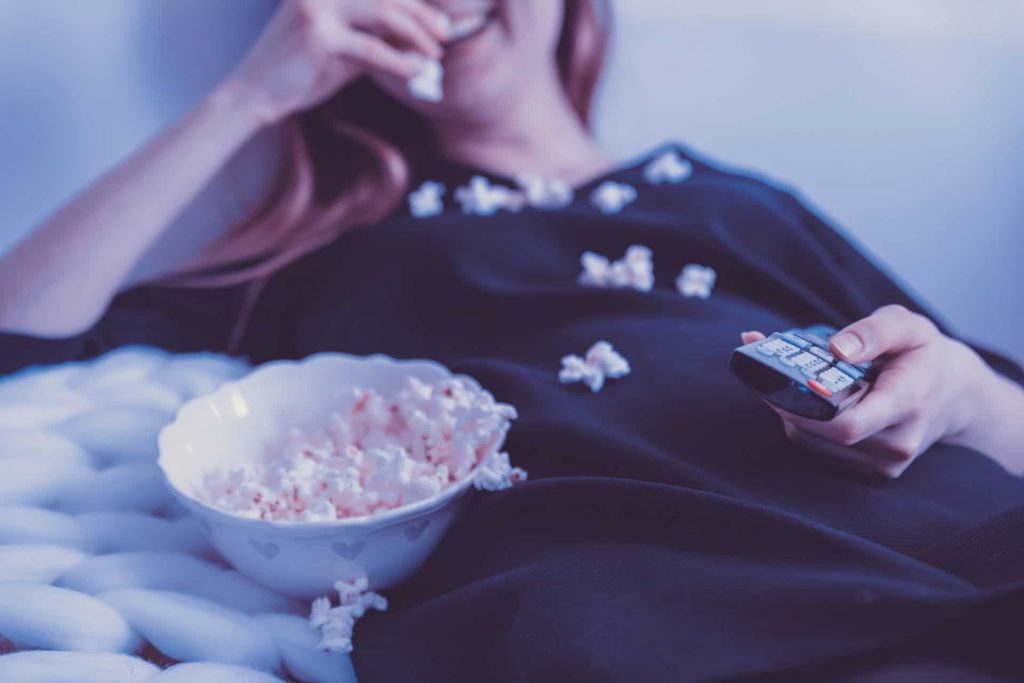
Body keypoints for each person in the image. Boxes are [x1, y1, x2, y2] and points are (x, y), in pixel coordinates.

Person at [1, 1, 1022, 679]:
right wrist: (248, 97)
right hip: (634, 601)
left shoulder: (736, 204)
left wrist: (965, 392)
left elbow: (998, 415)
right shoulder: (343, 250)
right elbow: (22, 338)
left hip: (939, 537)